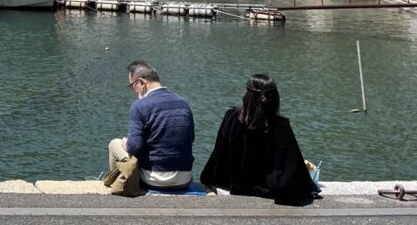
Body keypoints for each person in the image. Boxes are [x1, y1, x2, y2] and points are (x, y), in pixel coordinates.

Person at [200, 74, 316, 203]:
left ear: (247, 95)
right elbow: (290, 164)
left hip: (231, 180)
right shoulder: (279, 126)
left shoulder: (231, 117)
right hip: (266, 184)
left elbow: (220, 153)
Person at [109, 60, 195, 189]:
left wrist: (126, 143)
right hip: (184, 178)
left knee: (114, 144)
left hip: (154, 179)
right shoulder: (183, 103)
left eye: (132, 86)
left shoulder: (139, 106)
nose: (133, 91)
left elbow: (135, 148)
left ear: (141, 83)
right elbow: (191, 138)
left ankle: (121, 186)